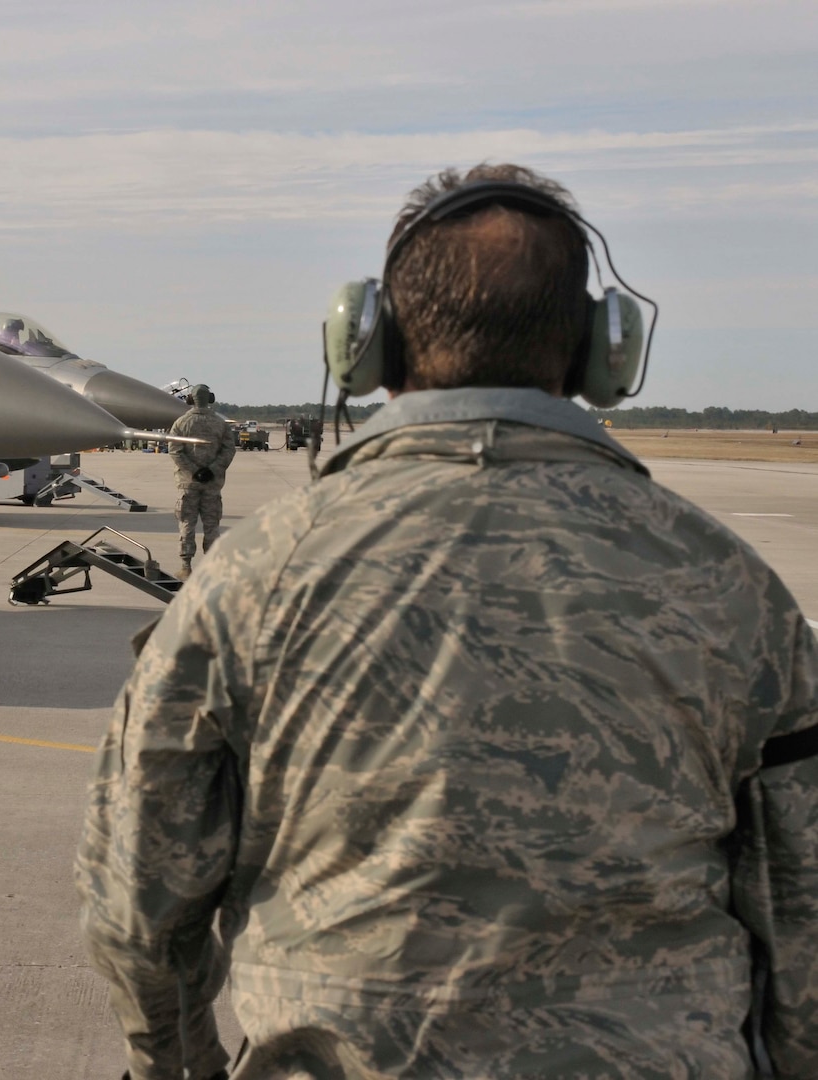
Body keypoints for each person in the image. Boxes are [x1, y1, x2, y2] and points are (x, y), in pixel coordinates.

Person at [76, 163, 818, 1079]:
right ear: (603, 352)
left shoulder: (252, 576)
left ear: (369, 345)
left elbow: (139, 899)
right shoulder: (729, 588)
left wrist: (174, 1066)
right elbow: (802, 903)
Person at [168, 384, 238, 578]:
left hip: (188, 483)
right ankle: (212, 568)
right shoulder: (220, 423)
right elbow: (229, 449)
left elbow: (175, 451)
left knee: (187, 524)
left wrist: (194, 471)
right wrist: (212, 470)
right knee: (212, 525)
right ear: (210, 398)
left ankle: (185, 567)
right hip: (212, 484)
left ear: (190, 399)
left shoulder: (181, 423)